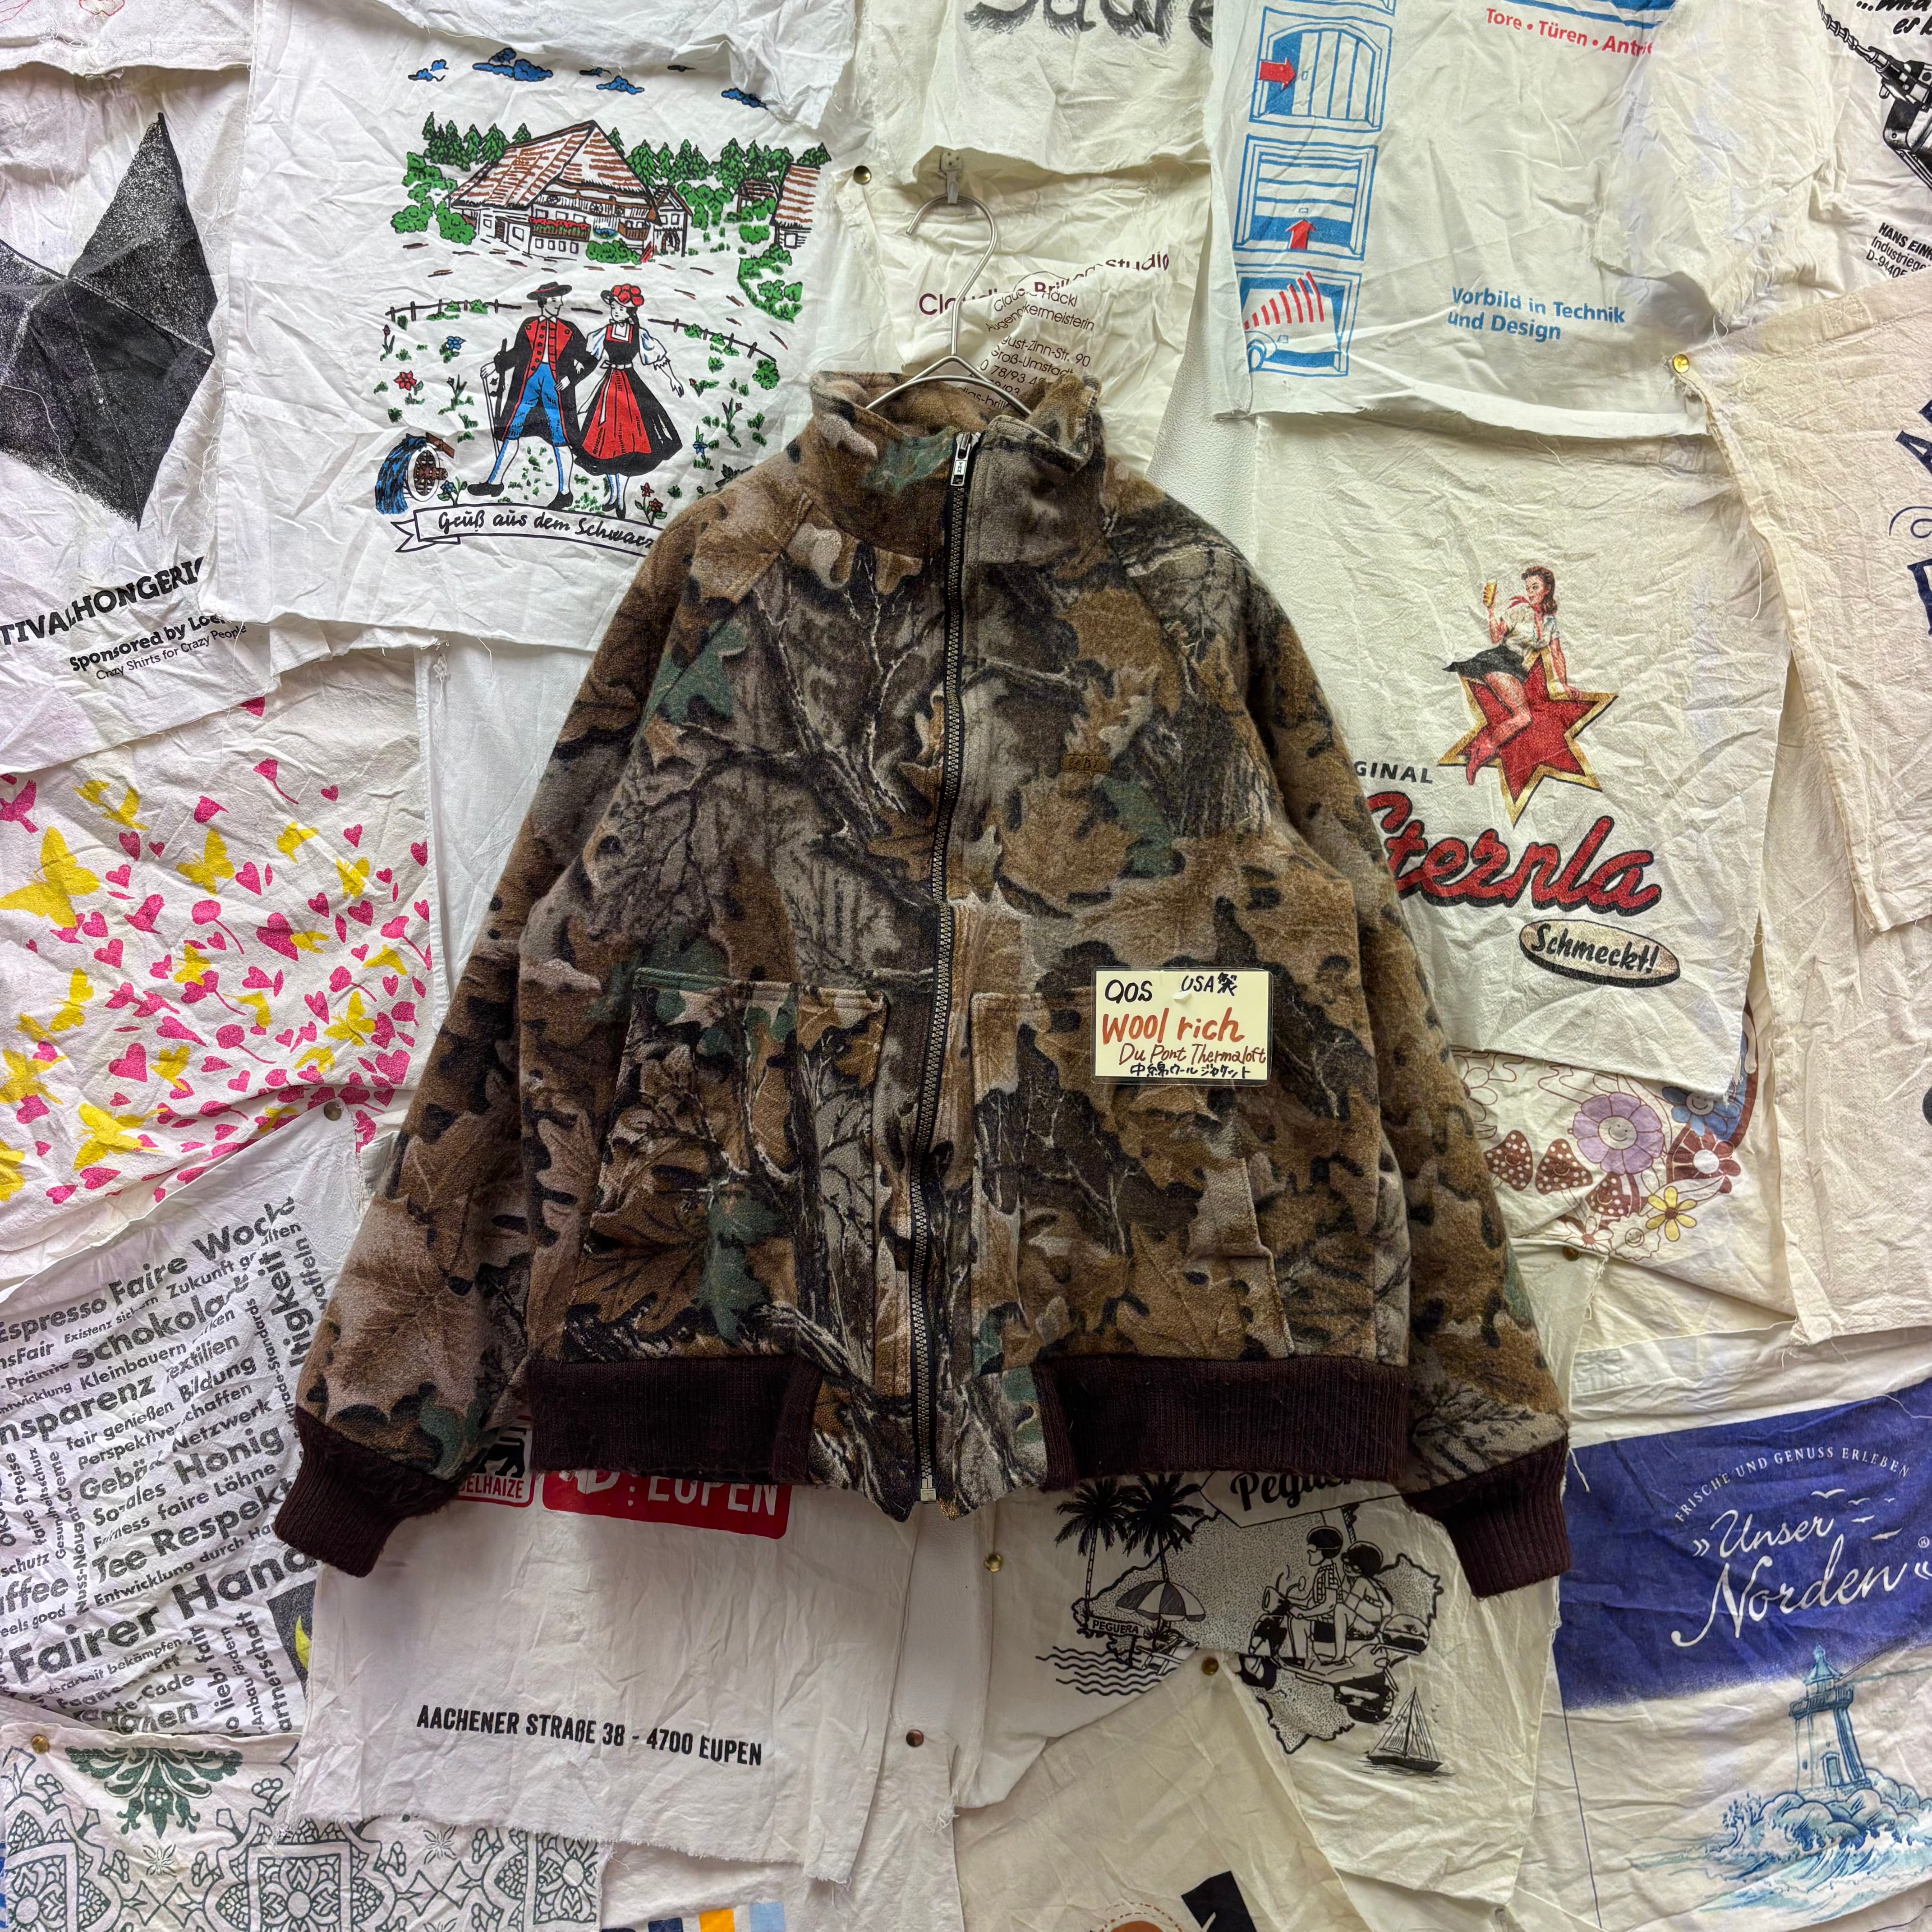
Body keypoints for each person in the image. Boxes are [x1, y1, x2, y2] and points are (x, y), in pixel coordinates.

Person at [471, 281, 596, 510]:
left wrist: (571, 379)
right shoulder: (529, 325)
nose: (560, 304)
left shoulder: (569, 330)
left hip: (556, 387)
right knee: (511, 430)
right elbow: (517, 354)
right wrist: (496, 365)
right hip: (527, 383)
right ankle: (494, 483)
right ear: (543, 302)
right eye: (555, 300)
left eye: (560, 300)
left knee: (561, 436)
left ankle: (565, 493)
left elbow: (590, 359)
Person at [1446, 565, 1572, 785]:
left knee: (1525, 718)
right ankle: (1480, 755)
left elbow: (1557, 654)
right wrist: (1491, 611)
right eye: (1528, 588)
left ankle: (1481, 750)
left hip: (1517, 670)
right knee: (1523, 717)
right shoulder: (1520, 611)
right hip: (1500, 661)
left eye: (1535, 587)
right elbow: (1496, 637)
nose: (1530, 592)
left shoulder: (1551, 623)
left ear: (1547, 589)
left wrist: (1564, 684)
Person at [572, 283, 685, 519]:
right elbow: (589, 356)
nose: (616, 311)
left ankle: (621, 496)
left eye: (621, 309)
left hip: (630, 387)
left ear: (630, 312)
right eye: (614, 307)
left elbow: (657, 358)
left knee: (628, 442)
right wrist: (577, 367)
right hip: (609, 388)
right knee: (605, 443)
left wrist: (673, 379)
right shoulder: (604, 332)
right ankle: (613, 493)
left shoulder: (638, 334)